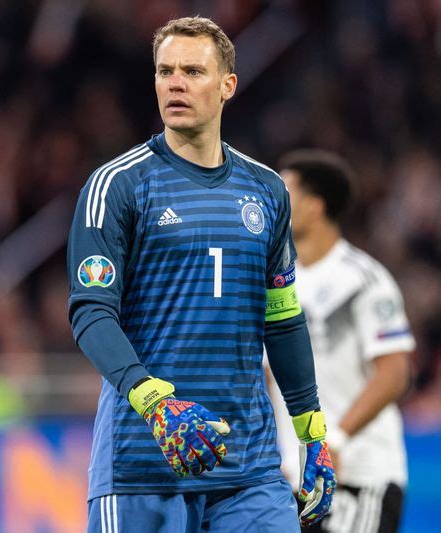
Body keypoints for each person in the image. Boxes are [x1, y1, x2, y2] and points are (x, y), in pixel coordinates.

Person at [68, 17, 335, 532]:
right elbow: (90, 312)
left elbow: (281, 318)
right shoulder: (117, 186)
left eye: (193, 70)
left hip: (249, 469)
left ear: (227, 85)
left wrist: (312, 432)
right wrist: (156, 404)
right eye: (165, 71)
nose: (175, 83)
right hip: (141, 466)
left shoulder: (266, 191)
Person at [265, 149, 415, 533]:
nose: (273, 201)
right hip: (292, 477)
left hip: (358, 475)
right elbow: (268, 377)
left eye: (286, 192)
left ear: (314, 207)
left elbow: (394, 371)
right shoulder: (275, 280)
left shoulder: (363, 281)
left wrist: (340, 440)